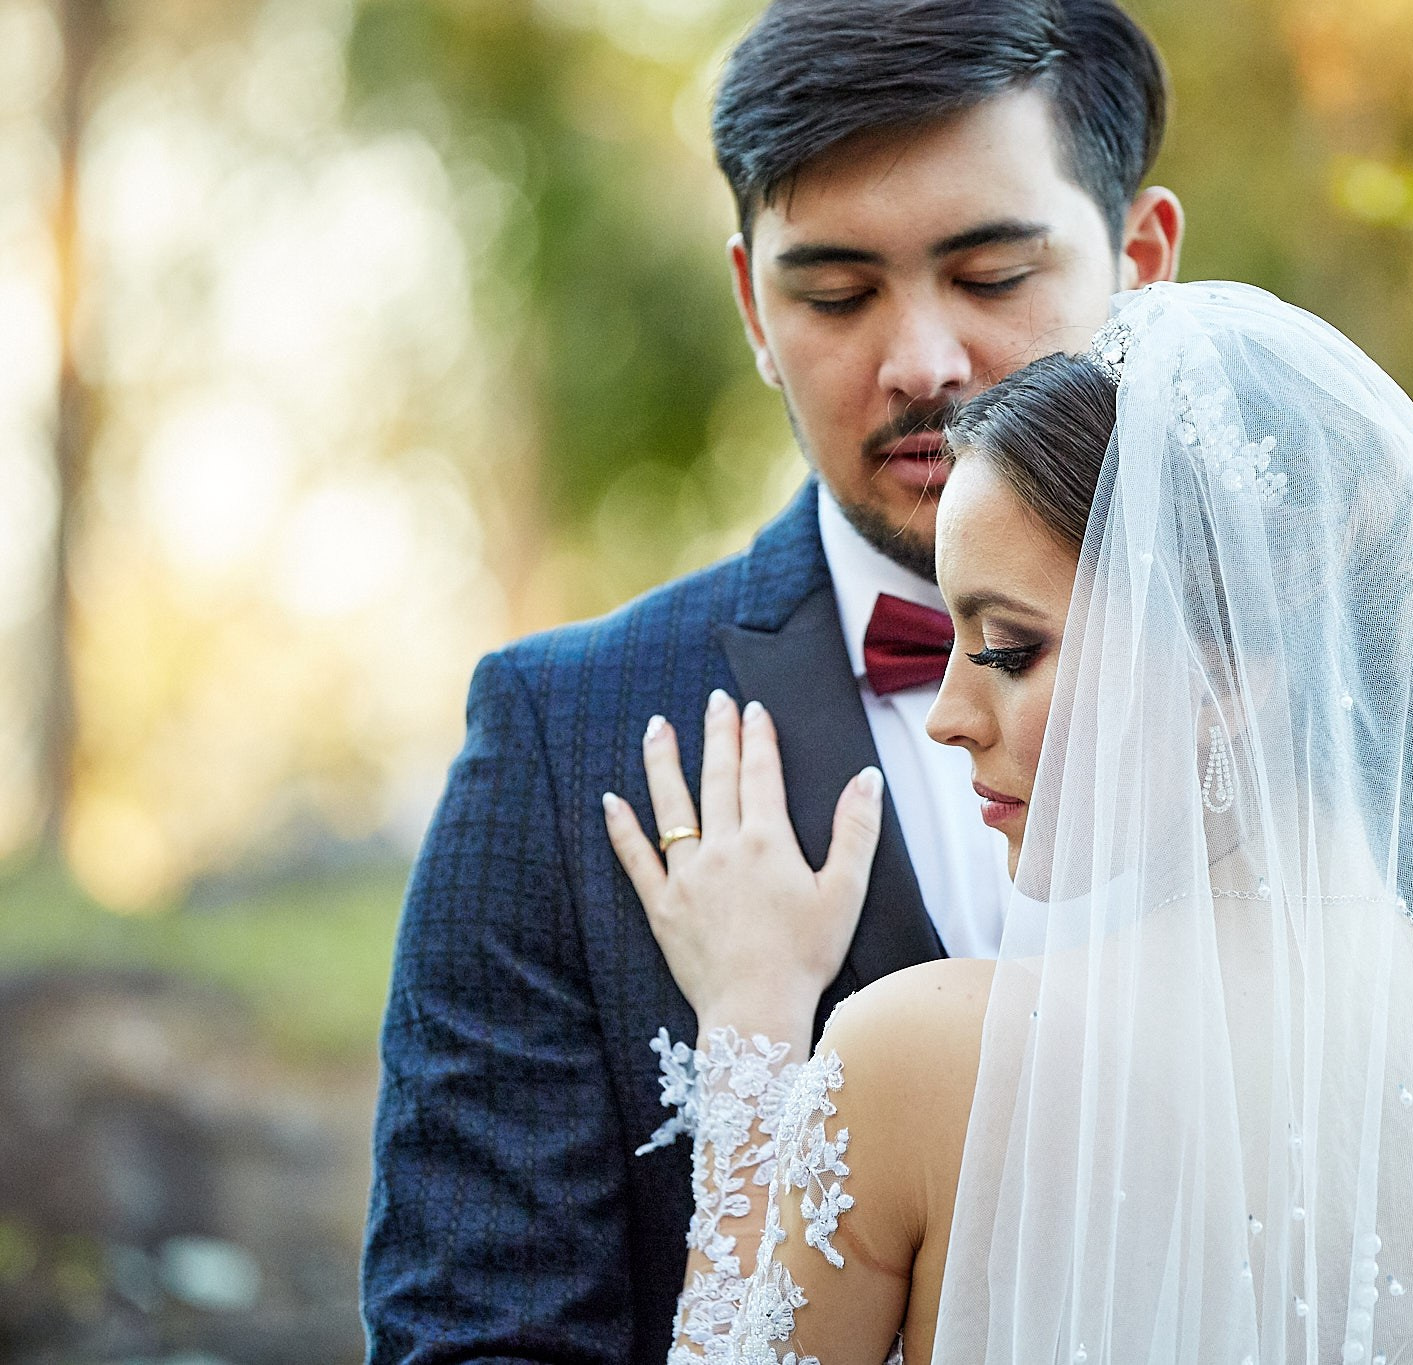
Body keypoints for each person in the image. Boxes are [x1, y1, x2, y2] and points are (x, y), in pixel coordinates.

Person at [605, 282, 1413, 1363]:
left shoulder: (919, 1063)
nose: (950, 717)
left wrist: (754, 1027)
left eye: (1005, 648)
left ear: (1234, 672)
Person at [359, 2, 1184, 1361]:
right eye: (838, 292)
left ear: (1141, 262)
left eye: (990, 277)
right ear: (752, 301)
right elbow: (476, 1332)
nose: (923, 363)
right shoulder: (568, 740)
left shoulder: (1339, 735)